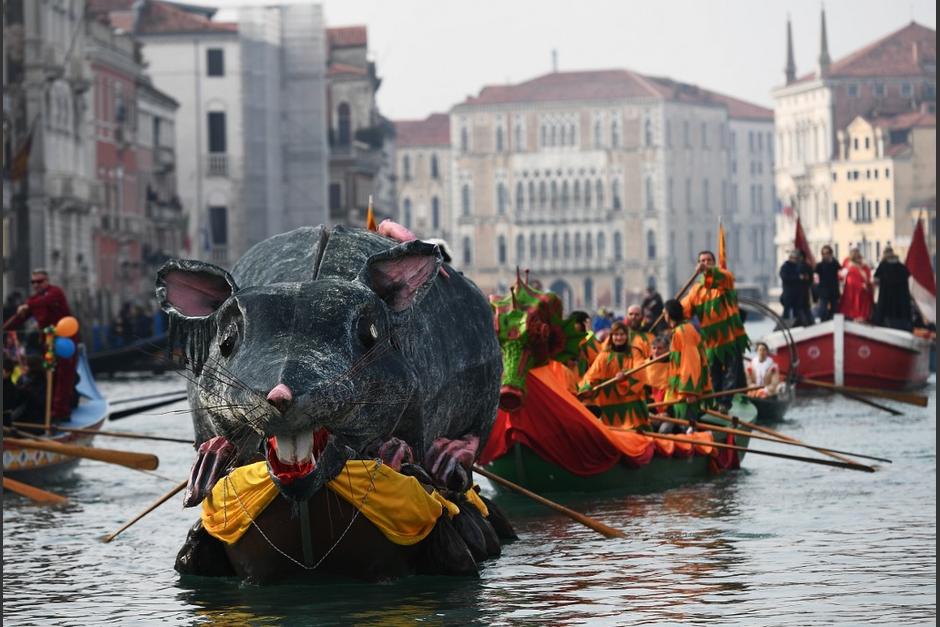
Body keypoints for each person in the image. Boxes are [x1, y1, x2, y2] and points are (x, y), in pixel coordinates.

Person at [2, 269, 77, 421]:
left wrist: (27, 305)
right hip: (48, 343)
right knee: (51, 377)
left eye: (40, 281)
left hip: (65, 341)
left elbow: (42, 302)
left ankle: (61, 413)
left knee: (63, 376)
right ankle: (50, 411)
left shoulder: (55, 293)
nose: (36, 285)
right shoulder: (34, 301)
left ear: (47, 281)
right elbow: (19, 318)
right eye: (33, 282)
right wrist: (3, 329)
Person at [681, 251, 749, 408]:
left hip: (730, 338)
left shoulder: (724, 281)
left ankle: (725, 404)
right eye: (702, 261)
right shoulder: (696, 290)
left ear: (714, 263)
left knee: (731, 374)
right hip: (710, 341)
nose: (705, 263)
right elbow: (684, 310)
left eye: (709, 260)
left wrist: (710, 270)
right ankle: (714, 404)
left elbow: (726, 276)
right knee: (713, 374)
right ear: (697, 264)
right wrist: (670, 311)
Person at [576, 321, 650, 429]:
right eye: (616, 335)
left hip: (632, 408)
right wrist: (587, 388)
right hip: (609, 408)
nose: (619, 338)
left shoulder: (635, 352)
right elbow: (591, 375)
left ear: (627, 336)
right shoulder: (604, 356)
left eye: (622, 334)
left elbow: (640, 371)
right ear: (611, 336)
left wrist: (626, 375)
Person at [660, 299, 708, 434]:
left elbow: (691, 361)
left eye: (664, 313)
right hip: (679, 389)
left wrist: (689, 391)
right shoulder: (681, 330)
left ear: (669, 314)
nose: (664, 316)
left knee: (686, 426)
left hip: (686, 390)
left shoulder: (684, 331)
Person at [872, 247, 913, 331]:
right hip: (901, 303)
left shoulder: (882, 266)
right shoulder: (902, 267)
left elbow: (875, 280)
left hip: (886, 301)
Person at [839, 247, 873, 322]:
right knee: (855, 312)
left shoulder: (861, 266)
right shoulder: (849, 265)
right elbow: (841, 276)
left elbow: (841, 276)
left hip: (859, 293)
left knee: (857, 313)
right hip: (854, 292)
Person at [780, 250, 812, 326]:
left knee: (797, 313)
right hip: (788, 294)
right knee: (786, 312)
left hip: (798, 295)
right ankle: (785, 326)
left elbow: (807, 276)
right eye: (795, 258)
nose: (796, 260)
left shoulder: (799, 267)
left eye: (797, 258)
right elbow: (785, 277)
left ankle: (796, 325)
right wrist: (798, 277)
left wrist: (804, 277)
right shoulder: (785, 267)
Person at [814, 245, 841, 322]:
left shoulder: (835, 264)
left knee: (835, 310)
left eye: (827, 253)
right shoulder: (819, 265)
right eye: (824, 253)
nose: (826, 255)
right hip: (823, 291)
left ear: (831, 253)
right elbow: (815, 278)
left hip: (834, 291)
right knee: (823, 309)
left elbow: (840, 271)